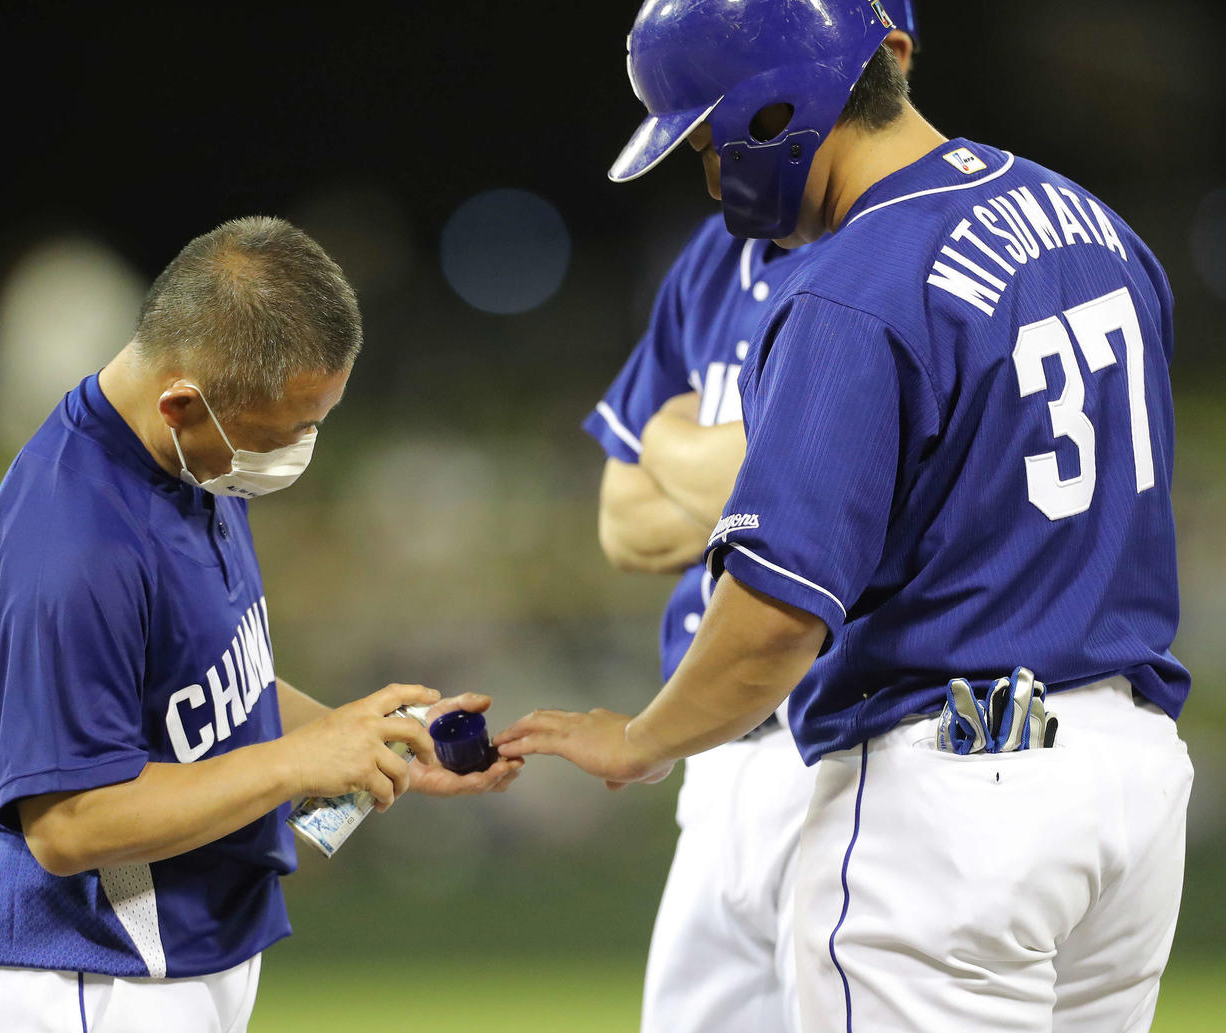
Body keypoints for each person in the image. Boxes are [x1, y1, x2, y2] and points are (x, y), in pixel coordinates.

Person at [498, 3, 1194, 1031]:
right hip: (1127, 783)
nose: (707, 175)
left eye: (702, 141)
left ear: (772, 112)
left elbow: (772, 620)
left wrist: (640, 740)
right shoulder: (1091, 224)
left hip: (950, 803)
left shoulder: (855, 284)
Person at [0, 216, 521, 1033]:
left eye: (314, 421)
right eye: (280, 431)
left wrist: (365, 737)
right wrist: (291, 762)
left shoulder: (190, 459)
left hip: (178, 947)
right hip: (89, 971)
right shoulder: (72, 542)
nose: (299, 447)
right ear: (183, 400)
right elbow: (70, 824)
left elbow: (202, 688)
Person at [586, 10, 918, 1028]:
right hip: (720, 753)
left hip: (864, 749)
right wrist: (779, 482)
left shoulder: (897, 253)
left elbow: (888, 490)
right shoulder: (714, 262)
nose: (711, 172)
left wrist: (686, 445)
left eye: (710, 139)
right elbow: (620, 517)